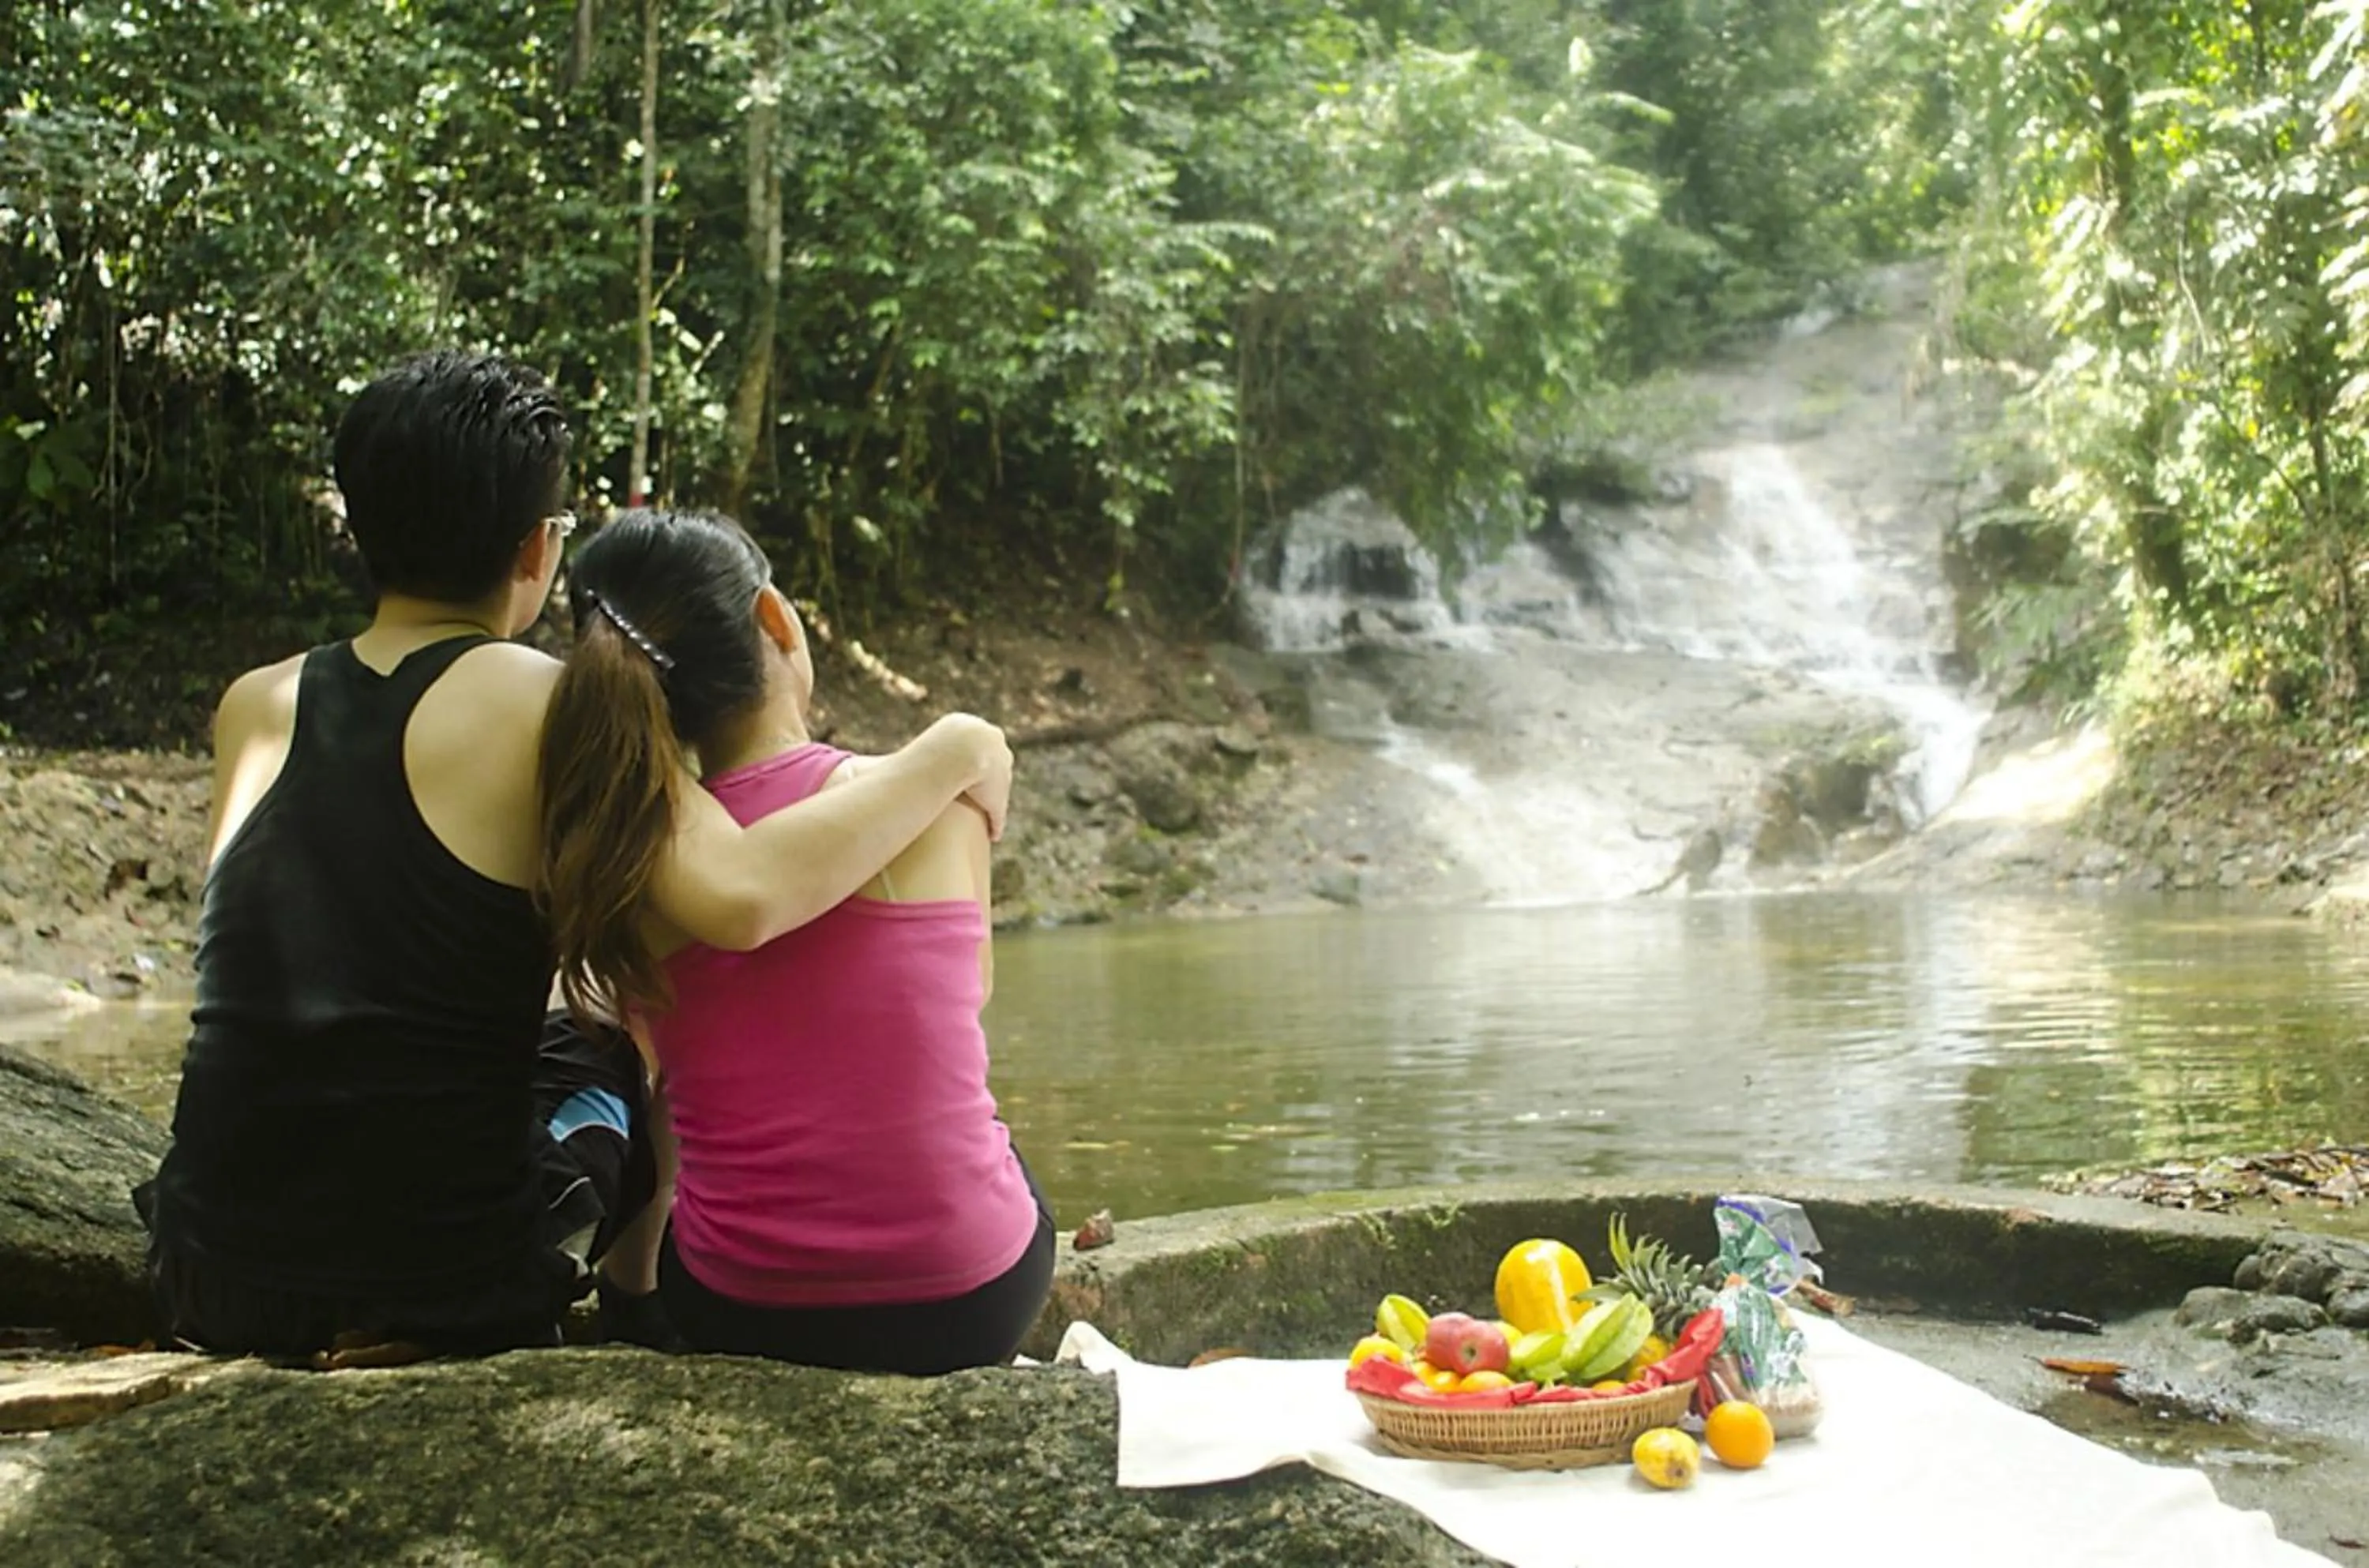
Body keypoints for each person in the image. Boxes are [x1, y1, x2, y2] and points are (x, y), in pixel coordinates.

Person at [141, 351, 1012, 1360]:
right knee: (605, 1046)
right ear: (535, 551)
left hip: (210, 1267)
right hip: (435, 1289)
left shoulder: (255, 703)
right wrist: (957, 748)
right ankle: (636, 1306)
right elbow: (741, 897)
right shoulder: (550, 702)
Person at [538, 508, 1052, 1375]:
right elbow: (964, 999)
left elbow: (653, 1071)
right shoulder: (937, 800)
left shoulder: (635, 855)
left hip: (742, 1308)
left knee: (671, 1081)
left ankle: (631, 1299)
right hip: (971, 1303)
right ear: (776, 618)